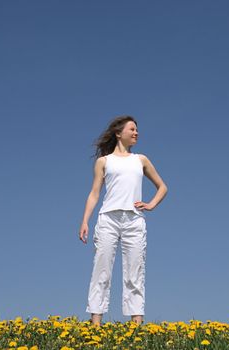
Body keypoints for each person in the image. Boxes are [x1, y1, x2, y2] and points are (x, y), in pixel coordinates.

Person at [79, 115, 168, 326]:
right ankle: (95, 325)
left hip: (134, 221)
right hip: (108, 219)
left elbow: (162, 187)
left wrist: (151, 204)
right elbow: (94, 193)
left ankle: (136, 325)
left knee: (135, 273)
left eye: (137, 130)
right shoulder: (104, 162)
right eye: (132, 129)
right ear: (119, 133)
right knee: (101, 271)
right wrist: (85, 221)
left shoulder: (141, 160)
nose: (136, 133)